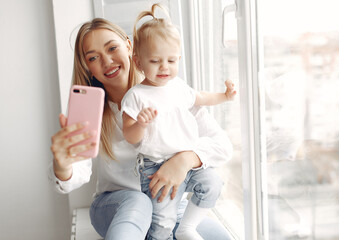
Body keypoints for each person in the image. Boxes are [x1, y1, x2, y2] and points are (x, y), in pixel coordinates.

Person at [48, 17, 233, 240]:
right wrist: (63, 164)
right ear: (87, 67)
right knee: (139, 201)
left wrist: (185, 160)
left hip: (165, 203)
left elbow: (222, 146)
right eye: (94, 57)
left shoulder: (171, 93)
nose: (107, 61)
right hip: (114, 205)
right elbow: (75, 175)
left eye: (112, 48)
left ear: (129, 46)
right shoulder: (93, 112)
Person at [121, 4, 236, 240]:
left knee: (213, 184)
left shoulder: (179, 87)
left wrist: (224, 96)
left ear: (179, 59)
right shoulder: (136, 96)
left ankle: (187, 228)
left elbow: (201, 97)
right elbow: (129, 136)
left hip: (188, 162)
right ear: (138, 62)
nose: (165, 67)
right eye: (155, 61)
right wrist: (140, 125)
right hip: (156, 167)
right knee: (162, 224)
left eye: (172, 61)